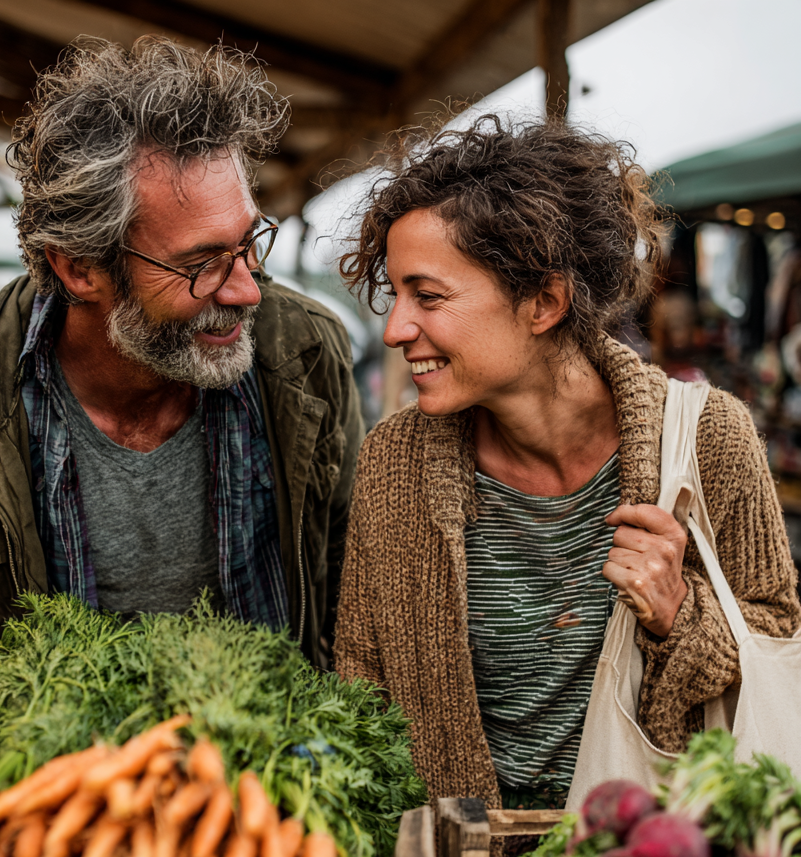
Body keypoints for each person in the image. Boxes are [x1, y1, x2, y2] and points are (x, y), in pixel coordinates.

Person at [333, 117, 801, 811]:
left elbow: (778, 644)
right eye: (396, 295)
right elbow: (361, 681)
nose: (398, 328)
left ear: (544, 302)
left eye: (427, 297)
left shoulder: (710, 439)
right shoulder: (395, 461)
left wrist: (679, 612)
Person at [0, 38, 364, 670]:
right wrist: (29, 733)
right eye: (202, 263)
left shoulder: (306, 352)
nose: (244, 289)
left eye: (248, 243)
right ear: (80, 270)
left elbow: (351, 561)